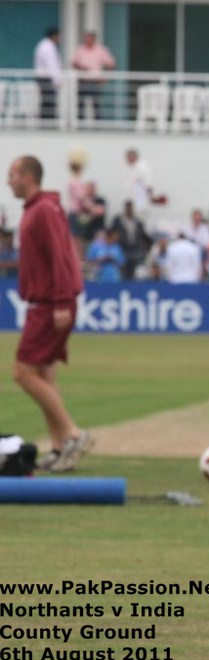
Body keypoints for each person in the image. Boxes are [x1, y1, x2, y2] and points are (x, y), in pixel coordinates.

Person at [7, 156, 93, 472]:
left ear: (28, 176)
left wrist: (59, 301)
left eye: (12, 175)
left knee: (22, 373)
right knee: (44, 375)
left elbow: (60, 255)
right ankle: (59, 446)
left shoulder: (44, 210)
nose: (8, 181)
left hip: (49, 304)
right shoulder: (37, 210)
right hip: (43, 303)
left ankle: (73, 433)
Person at [71, 31, 116, 121]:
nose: (88, 40)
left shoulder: (101, 50)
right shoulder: (80, 50)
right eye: (86, 38)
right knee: (80, 105)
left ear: (94, 39)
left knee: (96, 104)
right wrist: (81, 67)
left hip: (95, 81)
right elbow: (73, 63)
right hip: (82, 81)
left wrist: (105, 77)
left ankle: (97, 125)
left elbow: (111, 64)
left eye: (90, 38)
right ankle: (80, 125)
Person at [34, 28, 62, 121]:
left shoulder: (45, 45)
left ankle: (46, 122)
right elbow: (51, 64)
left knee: (47, 101)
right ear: (54, 36)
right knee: (49, 101)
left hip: (45, 77)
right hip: (46, 78)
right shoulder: (48, 47)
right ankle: (48, 123)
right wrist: (57, 80)